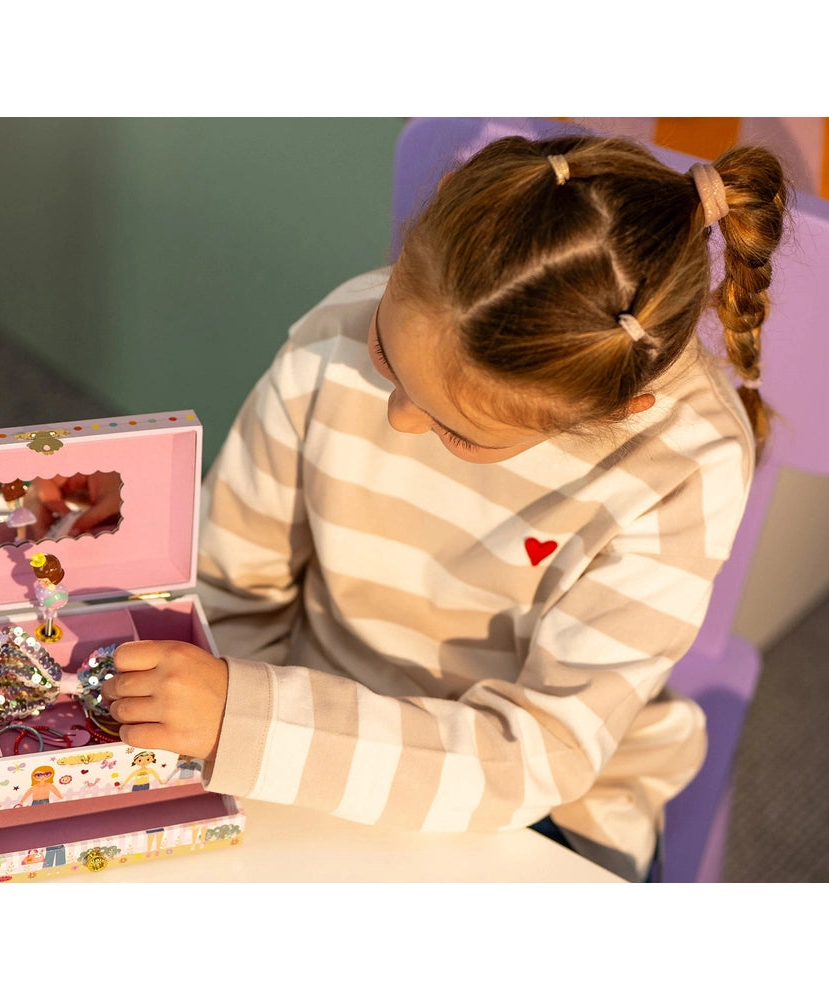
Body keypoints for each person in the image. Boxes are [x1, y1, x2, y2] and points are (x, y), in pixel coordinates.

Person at [101, 133, 789, 881]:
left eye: (459, 432)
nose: (397, 418)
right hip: (292, 715)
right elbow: (232, 585)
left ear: (614, 413)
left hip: (543, 801)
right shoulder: (335, 337)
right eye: (386, 354)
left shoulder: (682, 466)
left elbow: (543, 751)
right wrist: (237, 718)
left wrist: (254, 722)